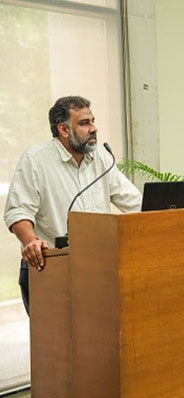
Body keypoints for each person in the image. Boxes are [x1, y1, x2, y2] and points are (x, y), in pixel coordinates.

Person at [3, 96, 142, 315]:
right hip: (49, 269)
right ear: (63, 130)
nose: (94, 128)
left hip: (94, 268)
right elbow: (17, 210)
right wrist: (30, 241)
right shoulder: (35, 160)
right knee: (54, 345)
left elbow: (135, 203)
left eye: (93, 121)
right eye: (85, 123)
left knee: (93, 341)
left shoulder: (101, 160)